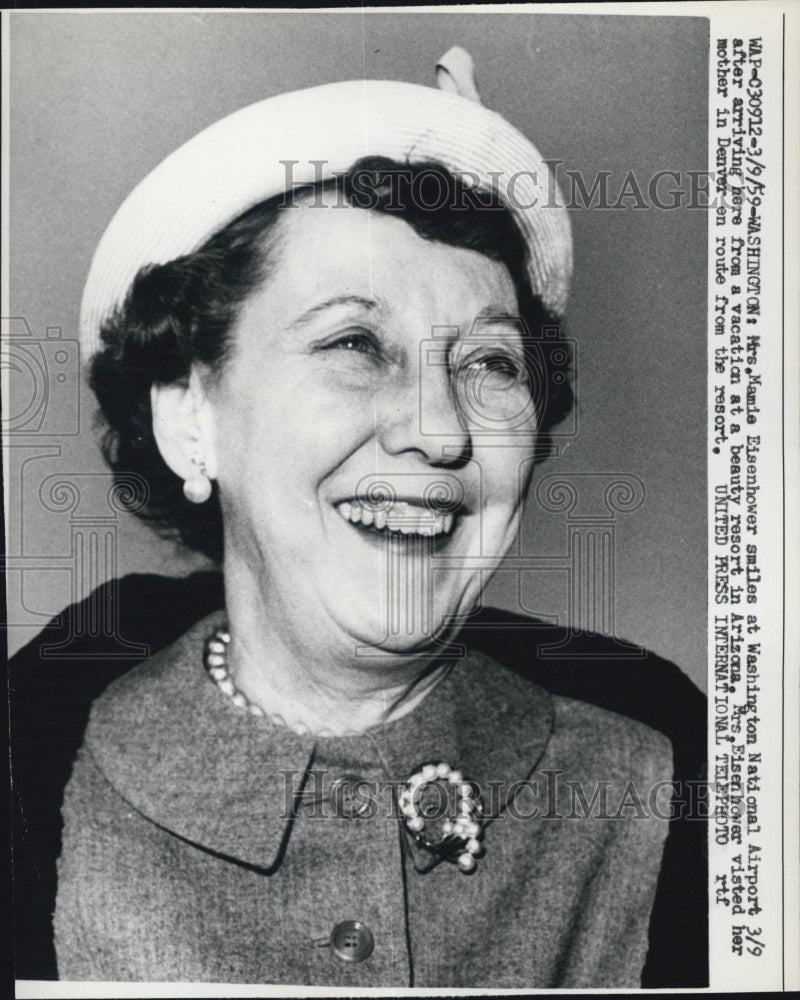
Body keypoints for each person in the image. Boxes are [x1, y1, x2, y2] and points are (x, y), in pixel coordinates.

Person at [14, 48, 706, 988]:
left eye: (490, 364)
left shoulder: (675, 795)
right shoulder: (38, 778)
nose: (439, 431)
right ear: (188, 418)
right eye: (353, 343)